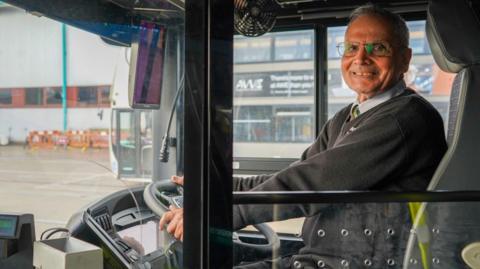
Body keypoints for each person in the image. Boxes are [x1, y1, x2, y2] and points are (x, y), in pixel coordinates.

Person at [160, 4, 447, 268]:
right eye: (352, 48)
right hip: (325, 256)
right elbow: (295, 173)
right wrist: (216, 188)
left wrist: (213, 214)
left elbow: (310, 184)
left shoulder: (403, 119)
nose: (361, 58)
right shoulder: (348, 116)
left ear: (405, 58)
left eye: (378, 48)